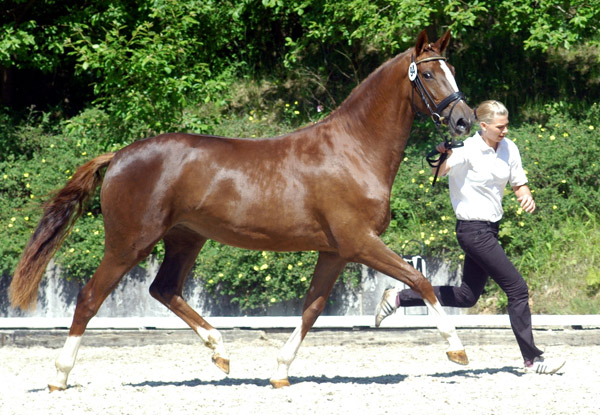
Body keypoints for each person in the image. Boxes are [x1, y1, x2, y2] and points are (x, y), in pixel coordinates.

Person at [375, 100, 565, 374]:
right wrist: (440, 156)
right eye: (500, 127)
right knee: (517, 289)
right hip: (472, 231)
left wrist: (525, 194)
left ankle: (398, 298)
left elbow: (517, 181)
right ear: (483, 126)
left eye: (507, 125)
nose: (505, 131)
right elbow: (439, 171)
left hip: (490, 229)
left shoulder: (509, 148)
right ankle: (532, 359)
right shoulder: (467, 149)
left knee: (467, 296)